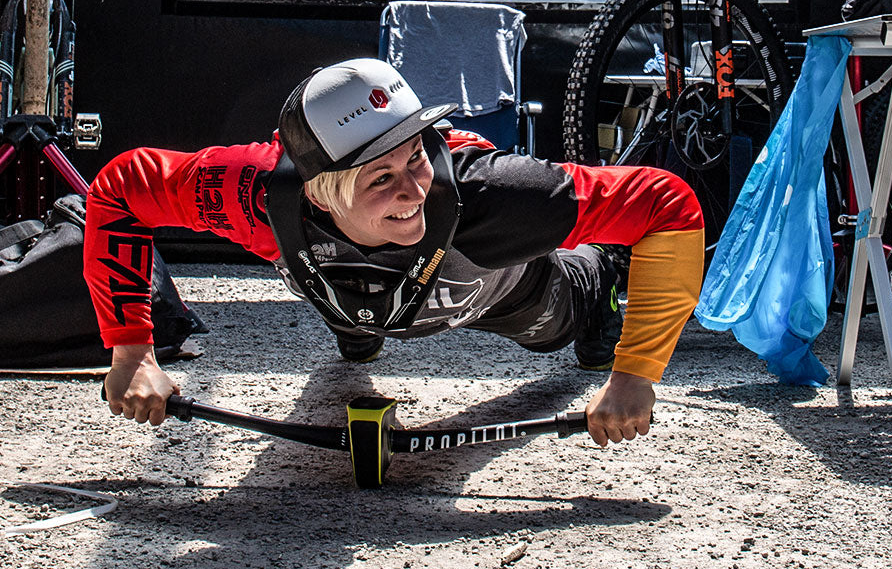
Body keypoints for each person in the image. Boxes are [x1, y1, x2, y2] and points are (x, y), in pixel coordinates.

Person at [86, 58, 703, 447]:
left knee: (555, 319)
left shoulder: (493, 194)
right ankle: (359, 327)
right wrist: (131, 352)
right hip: (347, 285)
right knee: (350, 302)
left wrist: (634, 374)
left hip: (499, 289)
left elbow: (667, 204)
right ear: (319, 192)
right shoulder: (250, 193)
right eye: (380, 178)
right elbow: (119, 188)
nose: (414, 190)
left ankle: (594, 282)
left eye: (415, 157)